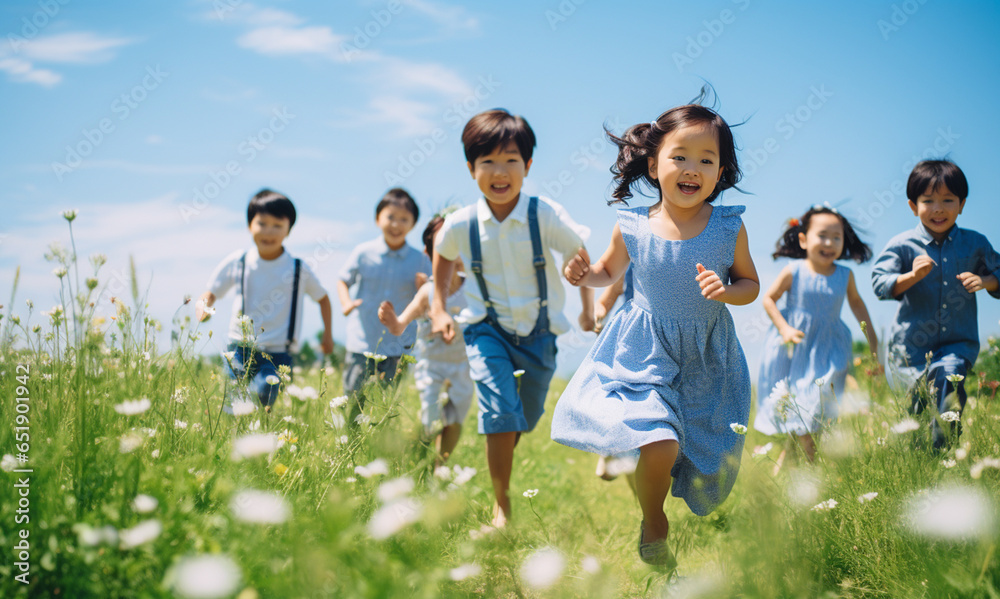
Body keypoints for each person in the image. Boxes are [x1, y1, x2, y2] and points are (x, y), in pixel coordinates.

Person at [551, 100, 759, 568]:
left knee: (701, 450)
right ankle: (653, 522)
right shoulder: (634, 225)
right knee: (659, 441)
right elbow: (607, 271)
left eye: (706, 160)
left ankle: (665, 508)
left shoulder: (728, 227)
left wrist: (727, 290)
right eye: (680, 156)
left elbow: (751, 285)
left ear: (721, 171)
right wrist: (584, 275)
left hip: (706, 355)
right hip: (645, 352)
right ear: (653, 163)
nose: (692, 169)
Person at [430, 108, 593, 529]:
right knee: (500, 411)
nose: (499, 173)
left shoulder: (544, 215)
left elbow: (579, 254)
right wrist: (437, 307)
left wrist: (588, 308)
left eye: (511, 162)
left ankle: (502, 450)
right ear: (471, 169)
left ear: (528, 166)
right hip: (487, 330)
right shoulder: (461, 223)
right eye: (488, 162)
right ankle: (501, 507)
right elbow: (443, 257)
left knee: (525, 416)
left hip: (540, 335)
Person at [872, 159, 1000, 449]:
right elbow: (880, 283)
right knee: (915, 417)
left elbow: (998, 271)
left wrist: (986, 281)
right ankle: (921, 463)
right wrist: (911, 276)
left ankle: (947, 455)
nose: (938, 208)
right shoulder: (902, 244)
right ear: (912, 206)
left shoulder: (975, 243)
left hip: (957, 343)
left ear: (962, 204)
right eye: (928, 200)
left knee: (948, 382)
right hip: (911, 349)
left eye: (948, 200)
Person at [754, 205, 878, 471]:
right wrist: (785, 328)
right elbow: (769, 299)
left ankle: (802, 470)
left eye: (837, 237)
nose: (829, 243)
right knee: (802, 411)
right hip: (795, 350)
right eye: (822, 235)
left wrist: (873, 342)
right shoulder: (795, 270)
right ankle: (802, 470)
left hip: (830, 350)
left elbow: (857, 305)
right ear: (803, 239)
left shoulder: (845, 275)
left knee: (817, 409)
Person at [197, 189, 334, 412]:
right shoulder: (239, 261)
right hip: (239, 347)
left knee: (265, 393)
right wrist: (203, 306)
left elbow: (323, 298)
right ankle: (234, 441)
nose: (268, 231)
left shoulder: (297, 268)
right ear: (249, 225)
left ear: (289, 230)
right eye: (262, 223)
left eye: (277, 225)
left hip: (278, 352)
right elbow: (211, 291)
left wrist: (327, 335)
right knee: (234, 405)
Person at [378, 214, 473, 464]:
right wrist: (392, 321)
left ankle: (438, 465)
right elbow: (400, 326)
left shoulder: (474, 289)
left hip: (464, 368)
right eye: (443, 247)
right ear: (430, 253)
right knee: (430, 420)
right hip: (431, 368)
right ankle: (416, 459)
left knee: (454, 421)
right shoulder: (427, 292)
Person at [337, 188, 430, 413]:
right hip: (363, 341)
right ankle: (348, 443)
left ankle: (379, 446)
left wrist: (422, 287)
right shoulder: (363, 252)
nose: (396, 225)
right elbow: (342, 280)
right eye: (390, 217)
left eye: (404, 219)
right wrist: (346, 303)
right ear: (378, 219)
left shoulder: (420, 259)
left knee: (385, 406)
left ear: (413, 224)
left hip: (399, 345)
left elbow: (429, 294)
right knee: (352, 400)